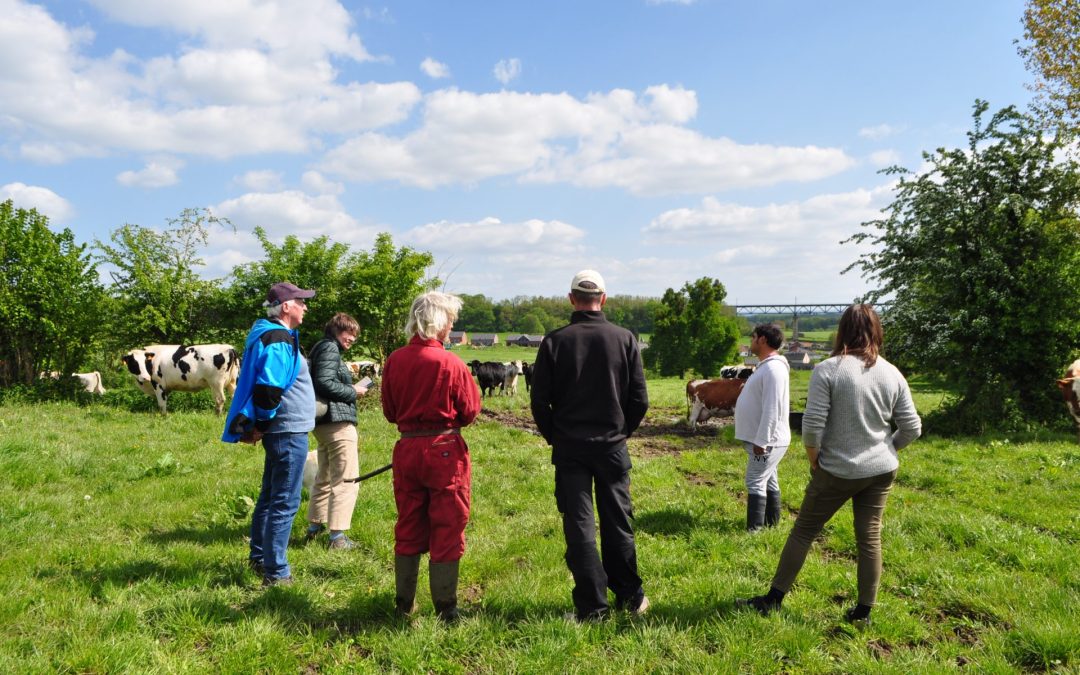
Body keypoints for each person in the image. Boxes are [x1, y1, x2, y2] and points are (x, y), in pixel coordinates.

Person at [737, 304, 921, 626]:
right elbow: (912, 427)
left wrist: (814, 460)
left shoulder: (829, 369)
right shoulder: (892, 372)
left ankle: (773, 600)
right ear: (877, 331)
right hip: (880, 471)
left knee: (803, 531)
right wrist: (886, 449)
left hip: (837, 469)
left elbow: (811, 426)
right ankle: (863, 613)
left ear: (841, 331)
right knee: (870, 538)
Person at [530, 269, 650, 622]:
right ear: (604, 299)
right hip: (612, 447)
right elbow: (639, 399)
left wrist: (557, 436)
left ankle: (593, 608)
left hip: (571, 448)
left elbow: (539, 403)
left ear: (571, 300)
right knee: (618, 522)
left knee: (580, 525)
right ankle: (631, 596)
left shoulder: (554, 341)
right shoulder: (625, 339)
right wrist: (620, 431)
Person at [380, 291, 481, 621]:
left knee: (409, 521)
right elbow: (469, 411)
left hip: (408, 448)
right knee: (448, 523)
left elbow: (391, 412)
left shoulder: (395, 360)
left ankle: (403, 604)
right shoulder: (451, 362)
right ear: (439, 323)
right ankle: (446, 608)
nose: (452, 327)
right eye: (450, 321)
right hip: (443, 450)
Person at [223, 282, 317, 587]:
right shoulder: (277, 338)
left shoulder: (273, 334)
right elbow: (268, 390)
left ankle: (260, 557)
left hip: (284, 429)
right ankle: (276, 572)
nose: (305, 307)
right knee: (284, 502)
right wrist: (261, 426)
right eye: (301, 302)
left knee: (269, 496)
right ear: (286, 306)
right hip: (287, 430)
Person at [303, 312, 369, 550]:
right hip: (337, 423)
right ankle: (337, 538)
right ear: (335, 330)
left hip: (323, 424)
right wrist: (354, 391)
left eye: (354, 335)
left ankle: (314, 527)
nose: (352, 338)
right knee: (346, 479)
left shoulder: (322, 347)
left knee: (325, 475)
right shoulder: (330, 349)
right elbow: (324, 382)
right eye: (348, 332)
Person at [733, 323, 791, 531]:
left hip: (768, 441)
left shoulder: (774, 369)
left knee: (755, 480)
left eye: (753, 337)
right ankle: (771, 525)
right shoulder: (767, 367)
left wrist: (763, 440)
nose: (751, 341)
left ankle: (754, 531)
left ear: (763, 340)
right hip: (764, 439)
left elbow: (772, 407)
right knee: (769, 479)